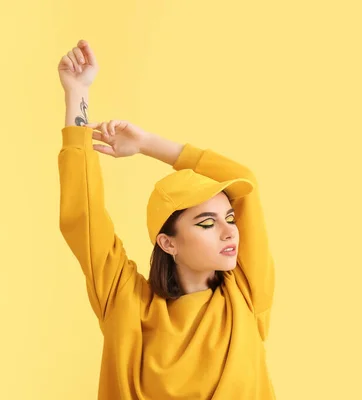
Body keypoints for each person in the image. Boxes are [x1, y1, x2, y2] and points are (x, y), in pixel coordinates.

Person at [57, 39, 276, 399]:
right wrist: (77, 93)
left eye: (230, 218)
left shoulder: (246, 294)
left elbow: (246, 180)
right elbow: (83, 215)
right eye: (207, 222)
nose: (228, 232)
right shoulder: (126, 303)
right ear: (167, 242)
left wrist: (146, 144)